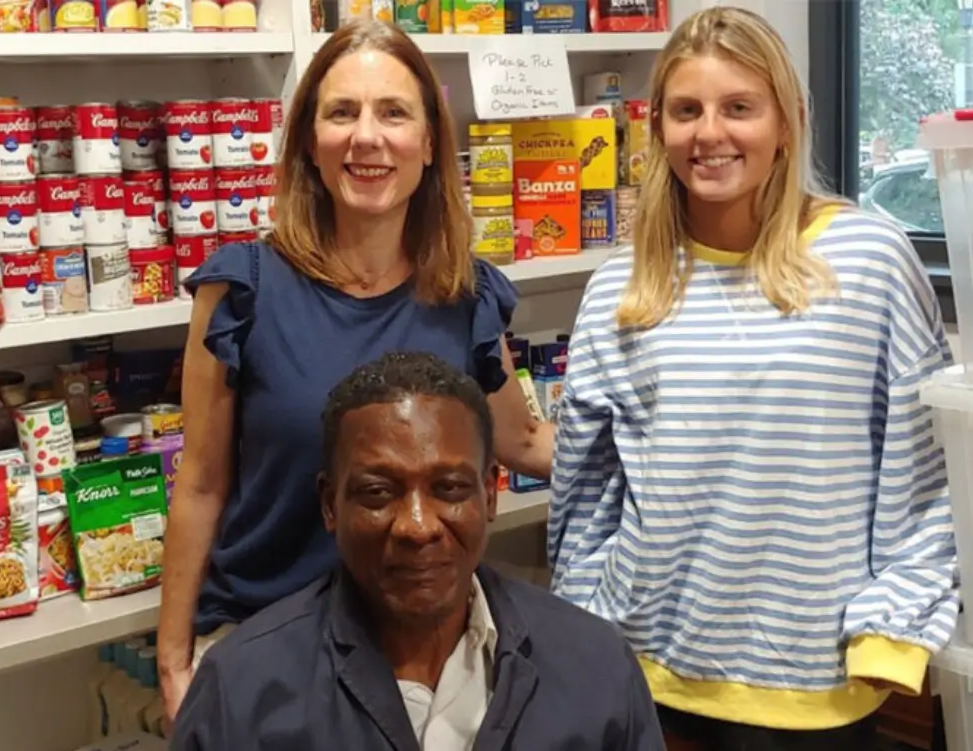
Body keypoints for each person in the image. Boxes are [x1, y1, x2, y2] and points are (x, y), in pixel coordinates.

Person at [548, 7, 958, 750]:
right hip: (646, 673)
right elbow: (585, 496)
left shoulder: (867, 260)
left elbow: (922, 480)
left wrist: (889, 632)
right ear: (658, 129)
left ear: (787, 122)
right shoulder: (619, 289)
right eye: (686, 110)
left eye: (739, 107)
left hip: (819, 683)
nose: (710, 133)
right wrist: (583, 630)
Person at [158, 20, 554, 721]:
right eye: (342, 112)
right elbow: (200, 481)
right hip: (268, 647)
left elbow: (522, 440)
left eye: (393, 112)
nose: (367, 137)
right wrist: (173, 656)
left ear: (431, 143)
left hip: (423, 651)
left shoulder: (467, 295)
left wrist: (668, 444)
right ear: (310, 142)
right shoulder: (241, 290)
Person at [171, 352, 665, 751]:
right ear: (329, 505)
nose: (417, 526)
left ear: (489, 495)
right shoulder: (241, 690)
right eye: (378, 493)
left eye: (448, 489)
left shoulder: (594, 667)